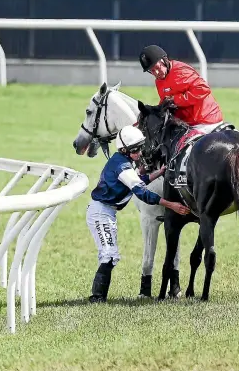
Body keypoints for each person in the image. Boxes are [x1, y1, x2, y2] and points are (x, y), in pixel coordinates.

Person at [86, 125, 190, 303]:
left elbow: (138, 179)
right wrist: (170, 204)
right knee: (109, 255)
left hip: (106, 211)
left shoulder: (124, 161)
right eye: (135, 150)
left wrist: (159, 172)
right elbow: (142, 192)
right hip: (101, 212)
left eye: (141, 148)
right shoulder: (122, 166)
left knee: (111, 255)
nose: (140, 153)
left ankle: (99, 297)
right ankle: (97, 298)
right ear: (124, 150)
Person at [139, 44, 224, 134]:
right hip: (187, 123)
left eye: (157, 67)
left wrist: (175, 100)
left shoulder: (181, 71)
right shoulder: (159, 81)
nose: (156, 72)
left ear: (164, 60)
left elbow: (203, 89)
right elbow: (167, 101)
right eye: (152, 70)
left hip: (204, 121)